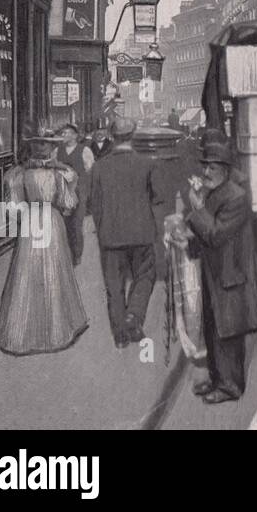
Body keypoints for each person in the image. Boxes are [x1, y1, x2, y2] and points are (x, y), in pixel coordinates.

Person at [183, 135, 257, 404]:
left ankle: (231, 386)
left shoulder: (236, 196)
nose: (206, 172)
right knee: (214, 328)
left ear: (225, 169)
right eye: (205, 166)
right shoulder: (216, 192)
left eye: (213, 167)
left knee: (228, 332)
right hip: (216, 273)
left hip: (230, 275)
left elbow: (216, 234)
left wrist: (197, 208)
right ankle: (218, 379)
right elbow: (205, 229)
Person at [0, 130, 89, 355]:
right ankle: (55, 329)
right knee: (52, 270)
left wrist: (26, 214)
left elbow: (14, 207)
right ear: (50, 150)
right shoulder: (59, 174)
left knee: (26, 270)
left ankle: (21, 330)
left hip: (30, 221)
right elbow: (68, 203)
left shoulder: (19, 174)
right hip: (51, 221)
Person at [88, 117, 160, 347]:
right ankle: (134, 315)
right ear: (134, 134)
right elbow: (157, 199)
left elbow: (95, 205)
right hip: (141, 233)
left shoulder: (100, 167)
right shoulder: (147, 163)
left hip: (111, 235)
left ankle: (119, 335)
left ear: (111, 136)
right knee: (145, 276)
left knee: (114, 286)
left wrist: (101, 230)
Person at [56, 122, 95, 267]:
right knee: (63, 225)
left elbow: (90, 171)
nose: (63, 135)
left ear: (75, 135)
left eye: (66, 133)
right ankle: (65, 255)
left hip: (79, 192)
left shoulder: (84, 150)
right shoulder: (57, 150)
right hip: (61, 192)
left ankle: (77, 255)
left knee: (76, 224)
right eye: (62, 133)